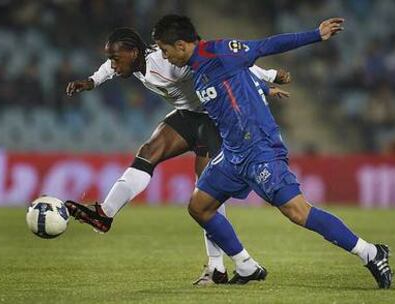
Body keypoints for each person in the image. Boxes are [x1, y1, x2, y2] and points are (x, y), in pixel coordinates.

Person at [152, 15, 393, 288]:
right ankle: (245, 266)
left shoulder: (222, 51)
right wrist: (265, 87)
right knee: (199, 207)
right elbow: (238, 84)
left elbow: (266, 45)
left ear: (181, 45)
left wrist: (317, 34)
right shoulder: (197, 71)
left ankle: (370, 252)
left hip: (259, 149)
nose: (165, 56)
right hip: (232, 154)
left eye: (165, 49)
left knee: (298, 212)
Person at [64, 27, 291, 285]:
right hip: (187, 115)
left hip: (214, 118)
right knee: (148, 152)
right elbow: (107, 68)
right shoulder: (134, 63)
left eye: (116, 59)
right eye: (111, 59)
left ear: (133, 52)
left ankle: (217, 266)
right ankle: (105, 213)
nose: (113, 65)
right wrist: (92, 81)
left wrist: (267, 77)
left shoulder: (167, 63)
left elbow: (222, 62)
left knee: (206, 192)